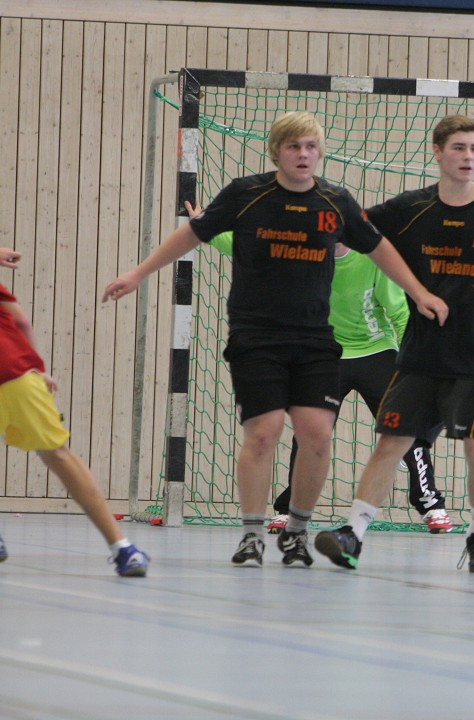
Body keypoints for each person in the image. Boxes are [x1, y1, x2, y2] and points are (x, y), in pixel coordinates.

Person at [103, 111, 447, 567]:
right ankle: (250, 533)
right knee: (263, 434)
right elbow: (196, 234)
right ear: (276, 152)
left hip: (315, 341)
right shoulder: (247, 195)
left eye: (310, 147)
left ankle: (298, 531)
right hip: (257, 338)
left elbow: (379, 247)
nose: (302, 155)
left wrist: (419, 292)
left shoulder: (336, 203)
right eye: (293, 147)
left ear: (320, 152)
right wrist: (138, 273)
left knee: (317, 435)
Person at [314, 114, 474, 573]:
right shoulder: (410, 208)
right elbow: (354, 228)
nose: (468, 156)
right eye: (458, 148)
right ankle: (352, 534)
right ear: (437, 152)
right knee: (391, 440)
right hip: (420, 351)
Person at [203, 226, 453, 534]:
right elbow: (248, 246)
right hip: (326, 354)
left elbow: (399, 313)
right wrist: (206, 226)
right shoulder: (302, 258)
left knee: (406, 426)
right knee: (309, 432)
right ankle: (290, 510)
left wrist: (411, 362)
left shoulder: (371, 260)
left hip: (375, 350)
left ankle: (430, 504)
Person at [0, 248, 148, 575]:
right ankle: (123, 549)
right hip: (14, 370)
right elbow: (21, 320)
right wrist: (37, 368)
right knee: (58, 455)